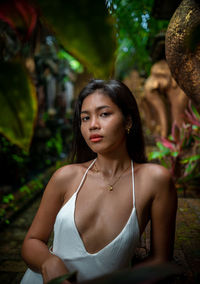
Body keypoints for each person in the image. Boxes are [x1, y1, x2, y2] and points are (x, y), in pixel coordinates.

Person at [20, 79, 177, 284]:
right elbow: (32, 242)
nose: (93, 125)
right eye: (85, 118)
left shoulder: (154, 181)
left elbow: (160, 261)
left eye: (104, 114)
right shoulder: (65, 177)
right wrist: (49, 262)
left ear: (128, 121)